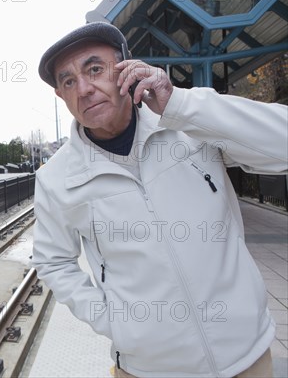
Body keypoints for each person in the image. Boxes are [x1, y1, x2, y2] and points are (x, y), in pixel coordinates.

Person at [32, 21, 287, 377]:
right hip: (146, 369)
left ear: (126, 69)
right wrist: (116, 323)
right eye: (69, 81)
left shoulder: (189, 125)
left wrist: (180, 103)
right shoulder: (55, 178)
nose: (85, 89)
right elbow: (53, 261)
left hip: (245, 357)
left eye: (95, 69)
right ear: (61, 96)